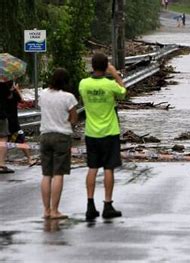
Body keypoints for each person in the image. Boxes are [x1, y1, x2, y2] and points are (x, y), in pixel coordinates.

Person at [79, 53, 126, 220]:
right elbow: (123, 92)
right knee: (108, 168)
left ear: (92, 66)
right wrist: (115, 74)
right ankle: (107, 204)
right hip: (109, 131)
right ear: (106, 66)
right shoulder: (110, 84)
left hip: (91, 132)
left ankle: (90, 205)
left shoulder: (83, 84)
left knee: (92, 167)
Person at [38, 68, 78, 219]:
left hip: (45, 135)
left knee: (46, 175)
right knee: (58, 174)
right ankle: (55, 210)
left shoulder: (43, 95)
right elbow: (74, 119)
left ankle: (46, 210)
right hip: (61, 137)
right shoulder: (68, 97)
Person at [6, 82, 33, 165]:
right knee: (21, 139)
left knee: (5, 140)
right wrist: (17, 90)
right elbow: (22, 101)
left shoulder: (2, 94)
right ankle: (29, 159)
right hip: (14, 123)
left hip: (4, 121)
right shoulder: (14, 94)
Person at [0, 81, 14, 174]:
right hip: (1, 115)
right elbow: (9, 97)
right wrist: (12, 90)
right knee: (3, 138)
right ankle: (1, 164)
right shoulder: (2, 84)